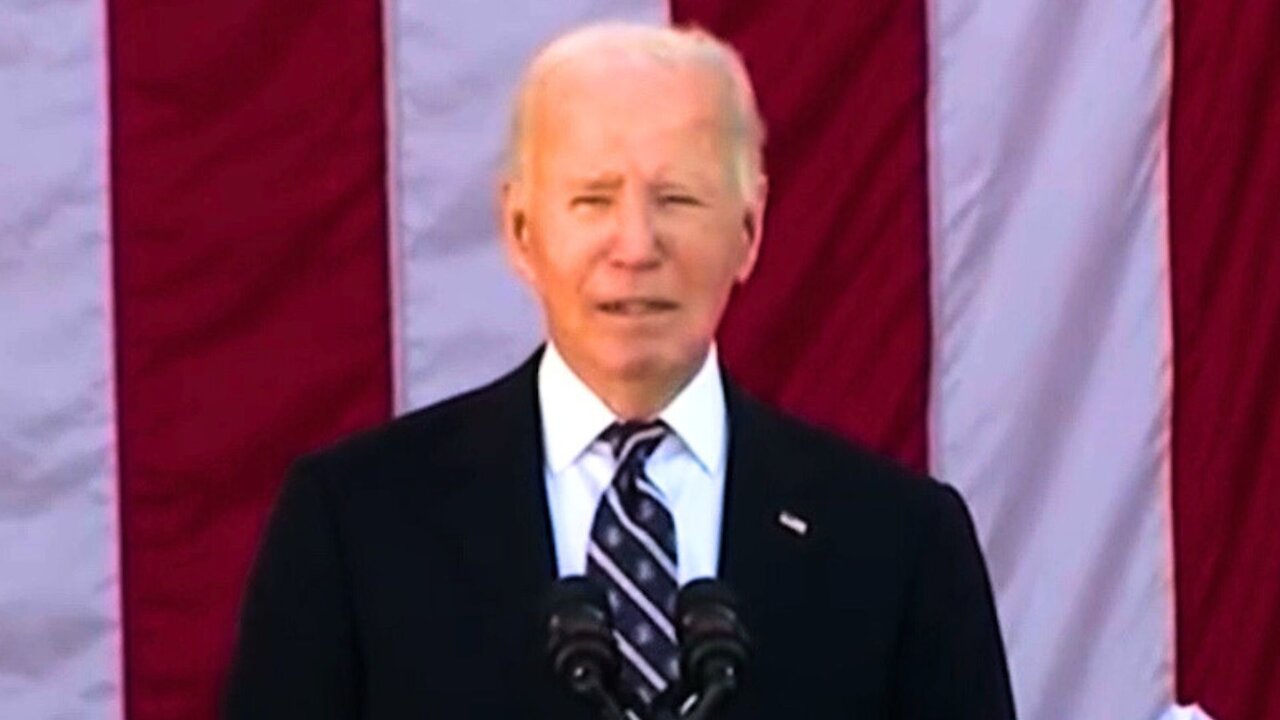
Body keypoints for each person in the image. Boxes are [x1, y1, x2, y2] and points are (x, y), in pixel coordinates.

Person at [224, 22, 1015, 720]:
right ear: (520, 229)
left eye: (677, 198)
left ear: (749, 229)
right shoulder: (357, 521)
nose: (635, 247)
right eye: (593, 200)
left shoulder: (898, 542)